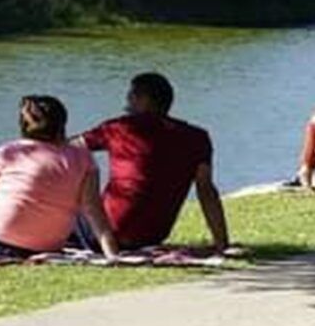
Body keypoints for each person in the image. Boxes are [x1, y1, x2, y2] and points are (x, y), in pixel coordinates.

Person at [0, 96, 120, 260]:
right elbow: (93, 210)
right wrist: (111, 253)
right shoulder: (84, 157)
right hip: (48, 245)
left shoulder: (12, 152)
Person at [73, 73, 229, 253]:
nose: (127, 101)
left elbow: (64, 147)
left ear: (143, 99)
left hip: (105, 233)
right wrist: (221, 242)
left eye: (131, 95)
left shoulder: (118, 129)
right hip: (152, 234)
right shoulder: (197, 137)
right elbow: (206, 190)